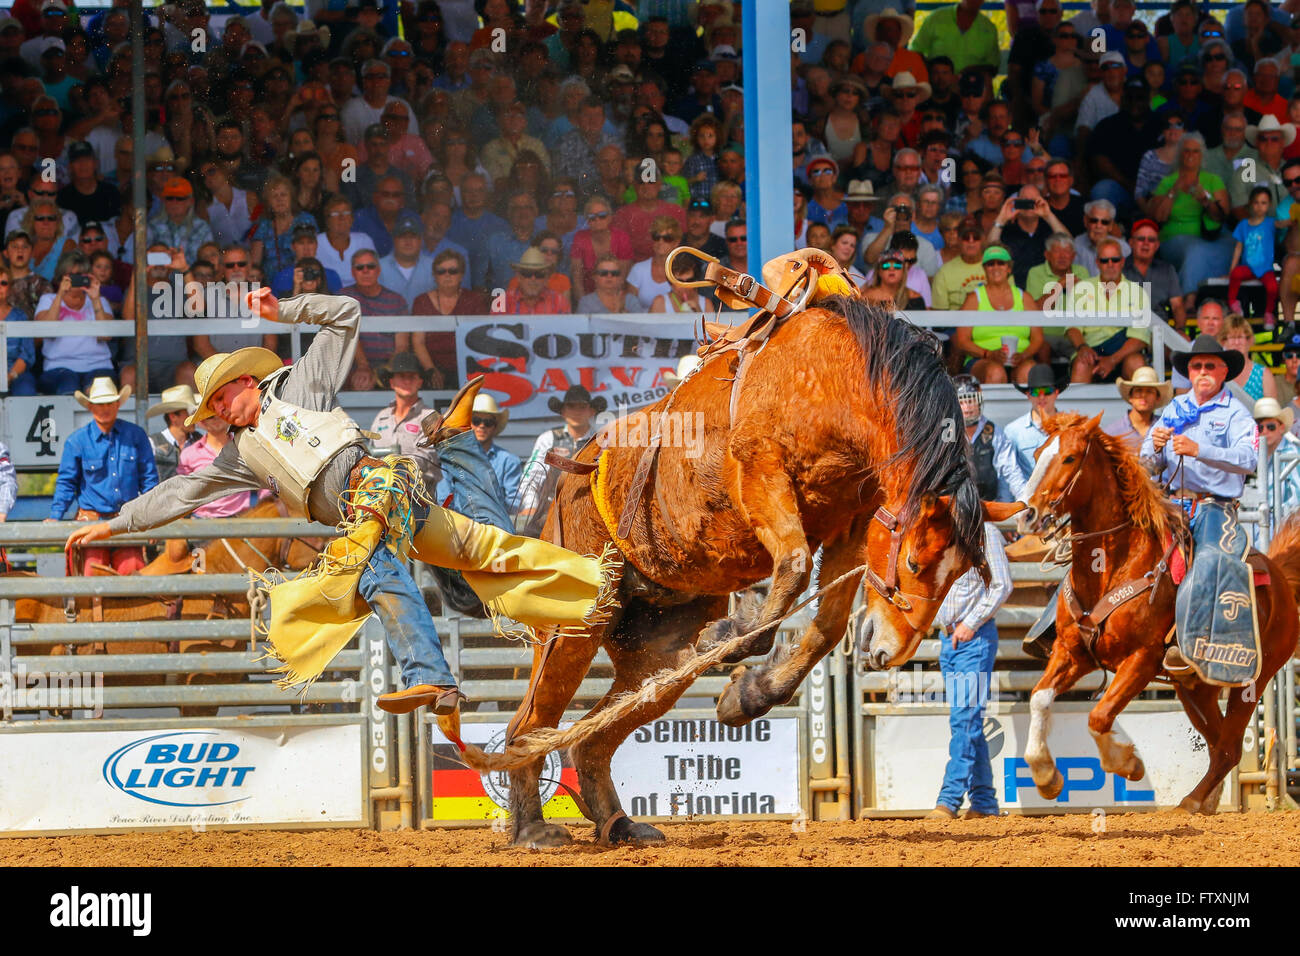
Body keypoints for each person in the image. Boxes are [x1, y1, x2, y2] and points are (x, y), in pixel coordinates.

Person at [64, 291, 615, 717]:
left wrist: (285, 311)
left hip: (379, 489)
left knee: (403, 564)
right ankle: (463, 446)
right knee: (479, 548)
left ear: (246, 381)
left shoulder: (300, 385)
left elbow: (346, 313)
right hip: (364, 512)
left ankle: (438, 676)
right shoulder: (242, 455)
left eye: (221, 398)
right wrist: (114, 526)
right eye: (211, 406)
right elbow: (178, 492)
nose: (218, 411)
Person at [1142, 335, 1259, 671]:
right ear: (1189, 372)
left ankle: (1194, 642)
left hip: (1215, 505)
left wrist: (1199, 450)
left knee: (1207, 561)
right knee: (1125, 545)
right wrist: (1155, 445)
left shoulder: (1237, 412)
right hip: (1170, 503)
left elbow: (1248, 459)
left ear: (1224, 372)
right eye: (1197, 366)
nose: (1203, 371)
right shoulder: (1174, 409)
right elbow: (1147, 463)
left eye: (1211, 365)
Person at [928, 519, 1011, 821]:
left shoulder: (984, 532)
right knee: (968, 721)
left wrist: (970, 623)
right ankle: (985, 802)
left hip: (972, 638)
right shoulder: (940, 531)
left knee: (964, 719)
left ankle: (948, 800)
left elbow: (1002, 584)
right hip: (950, 638)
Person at [49, 376, 157, 576]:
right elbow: (66, 483)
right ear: (90, 407)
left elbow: (150, 481)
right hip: (92, 521)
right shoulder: (77, 441)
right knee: (93, 574)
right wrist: (55, 516)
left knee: (132, 573)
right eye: (99, 404)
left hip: (127, 521)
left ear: (118, 404)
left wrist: (152, 518)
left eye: (109, 403)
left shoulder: (136, 436)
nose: (104, 408)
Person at [517, 384, 605, 528]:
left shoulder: (601, 441)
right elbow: (531, 477)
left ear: (591, 411)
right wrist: (530, 505)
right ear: (563, 411)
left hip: (589, 514)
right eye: (571, 406)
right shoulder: (548, 439)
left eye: (582, 407)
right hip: (549, 512)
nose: (576, 412)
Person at [1064, 238, 1150, 384]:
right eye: (1105, 260)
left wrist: (1112, 360)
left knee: (1136, 363)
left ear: (1122, 262)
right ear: (1097, 263)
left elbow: (1139, 339)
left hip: (1123, 355)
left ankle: (1141, 407)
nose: (1110, 265)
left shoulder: (1138, 292)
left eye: (1115, 260)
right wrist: (1083, 348)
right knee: (1082, 363)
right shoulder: (1081, 288)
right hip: (1091, 351)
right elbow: (1072, 328)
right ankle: (1077, 408)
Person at [955, 245, 1043, 385]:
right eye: (990, 264)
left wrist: (1024, 355)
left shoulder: (1024, 297)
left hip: (1019, 358)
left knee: (1028, 371)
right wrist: (988, 354)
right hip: (981, 359)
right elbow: (962, 340)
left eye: (1001, 263)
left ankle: (1031, 408)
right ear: (984, 269)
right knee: (995, 372)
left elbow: (1038, 337)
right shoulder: (974, 298)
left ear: (1009, 268)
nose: (995, 267)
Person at [434, 390, 521, 514]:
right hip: (461, 527)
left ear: (494, 426)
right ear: (468, 424)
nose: (482, 426)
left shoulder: (509, 461)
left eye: (488, 422)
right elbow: (444, 500)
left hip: (497, 529)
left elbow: (514, 503)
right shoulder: (451, 459)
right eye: (476, 420)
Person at [370, 351, 440, 492]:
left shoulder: (430, 417)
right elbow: (369, 453)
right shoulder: (381, 417)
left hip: (420, 498)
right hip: (382, 495)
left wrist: (392, 469)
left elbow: (426, 458)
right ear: (392, 382)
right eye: (402, 376)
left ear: (420, 382)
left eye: (412, 377)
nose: (407, 381)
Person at [955, 375, 1023, 501]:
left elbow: (1011, 471)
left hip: (987, 507)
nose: (967, 408)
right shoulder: (946, 431)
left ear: (979, 401)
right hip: (953, 508)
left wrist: (1025, 500)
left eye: (971, 400)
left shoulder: (993, 432)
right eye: (961, 402)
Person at [1228, 186, 1281, 325]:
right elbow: (1238, 248)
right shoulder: (1243, 225)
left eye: (1263, 203)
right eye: (1256, 202)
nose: (1259, 206)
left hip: (1265, 269)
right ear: (1250, 204)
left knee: (1273, 288)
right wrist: (1232, 269)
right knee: (1236, 274)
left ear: (1269, 205)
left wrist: (1294, 219)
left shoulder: (1270, 223)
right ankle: (1233, 302)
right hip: (1248, 267)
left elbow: (1283, 223)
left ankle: (1268, 313)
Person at [1005, 363, 1065, 482]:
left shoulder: (1071, 428)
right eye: (1036, 392)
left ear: (1056, 393)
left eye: (1047, 391)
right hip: (1028, 498)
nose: (1041, 397)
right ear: (1028, 395)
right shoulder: (1012, 431)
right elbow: (1008, 475)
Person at [1253, 396, 1300, 518]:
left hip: (1285, 528)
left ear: (1282, 427)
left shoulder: (1292, 454)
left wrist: (1276, 513)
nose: (1265, 431)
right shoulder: (1255, 454)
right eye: (1260, 427)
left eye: (1271, 427)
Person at [1107, 366, 1172, 453]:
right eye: (1138, 390)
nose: (1143, 395)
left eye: (1149, 391)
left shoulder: (1166, 428)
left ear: (1158, 398)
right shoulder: (1112, 432)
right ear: (1130, 397)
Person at [145, 384, 201, 483]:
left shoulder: (202, 441)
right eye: (190, 413)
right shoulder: (152, 443)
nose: (195, 418)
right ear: (173, 417)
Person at [1220, 313, 1278, 402]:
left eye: (1240, 337)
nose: (1236, 342)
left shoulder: (1263, 374)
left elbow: (1272, 411)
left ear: (1249, 340)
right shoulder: (1218, 373)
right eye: (1232, 337)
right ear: (1223, 341)